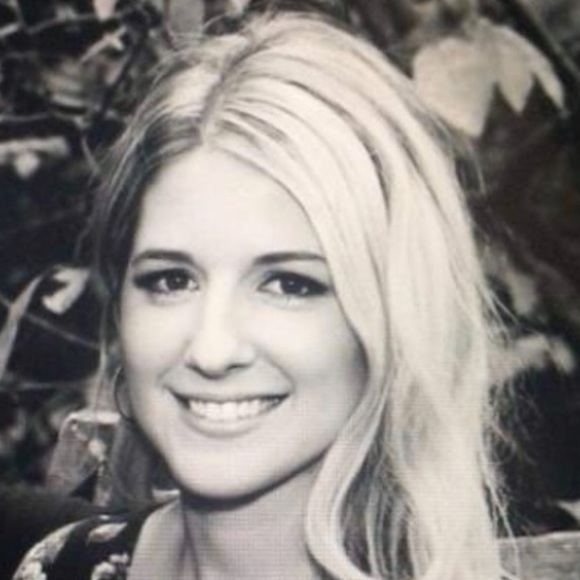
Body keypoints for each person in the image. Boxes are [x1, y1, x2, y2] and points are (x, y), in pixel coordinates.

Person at [13, 9, 511, 580]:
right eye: (171, 280)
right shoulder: (62, 565)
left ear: (398, 316)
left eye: (289, 284)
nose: (211, 349)